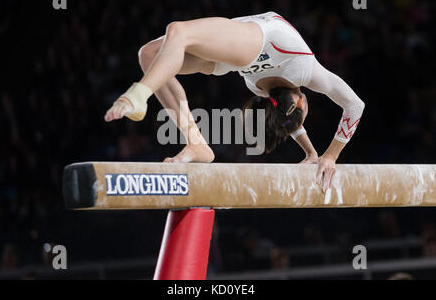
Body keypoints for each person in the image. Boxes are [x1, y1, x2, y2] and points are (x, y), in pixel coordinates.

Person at [104, 11, 365, 191]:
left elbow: (350, 106)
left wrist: (320, 155)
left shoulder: (300, 74)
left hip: (253, 45)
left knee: (177, 31)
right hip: (238, 53)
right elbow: (304, 115)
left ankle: (138, 95)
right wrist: (325, 154)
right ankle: (195, 143)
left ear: (298, 101)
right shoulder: (274, 89)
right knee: (150, 54)